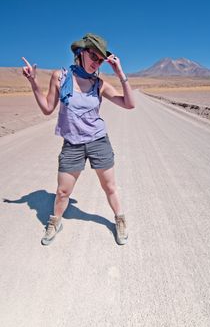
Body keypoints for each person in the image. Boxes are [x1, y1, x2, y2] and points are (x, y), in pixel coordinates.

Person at [22, 33, 135, 246]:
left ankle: (120, 219)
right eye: (94, 56)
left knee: (110, 187)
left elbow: (129, 104)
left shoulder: (99, 84)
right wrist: (33, 82)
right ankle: (55, 222)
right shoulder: (60, 77)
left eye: (101, 60)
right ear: (81, 52)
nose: (96, 63)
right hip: (72, 143)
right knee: (63, 192)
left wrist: (120, 73)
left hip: (98, 141)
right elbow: (47, 109)